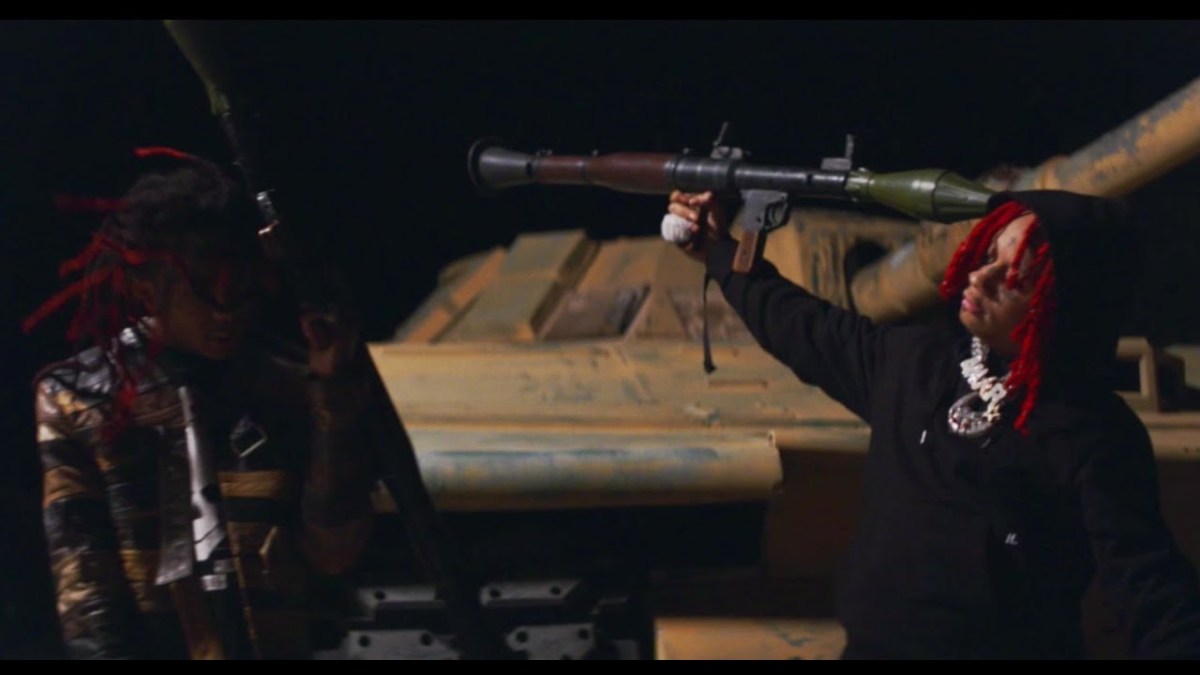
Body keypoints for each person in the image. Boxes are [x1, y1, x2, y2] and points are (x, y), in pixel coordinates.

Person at [666, 188, 1200, 658]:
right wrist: (717, 250)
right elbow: (802, 326)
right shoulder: (914, 364)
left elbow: (1150, 589)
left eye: (1013, 277)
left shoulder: (1093, 434)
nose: (981, 277)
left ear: (1063, 306)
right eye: (987, 255)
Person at [27, 148, 378, 659]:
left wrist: (334, 398)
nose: (226, 313)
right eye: (204, 292)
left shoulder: (286, 385)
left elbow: (333, 552)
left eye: (240, 290)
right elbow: (85, 580)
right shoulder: (80, 398)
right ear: (147, 291)